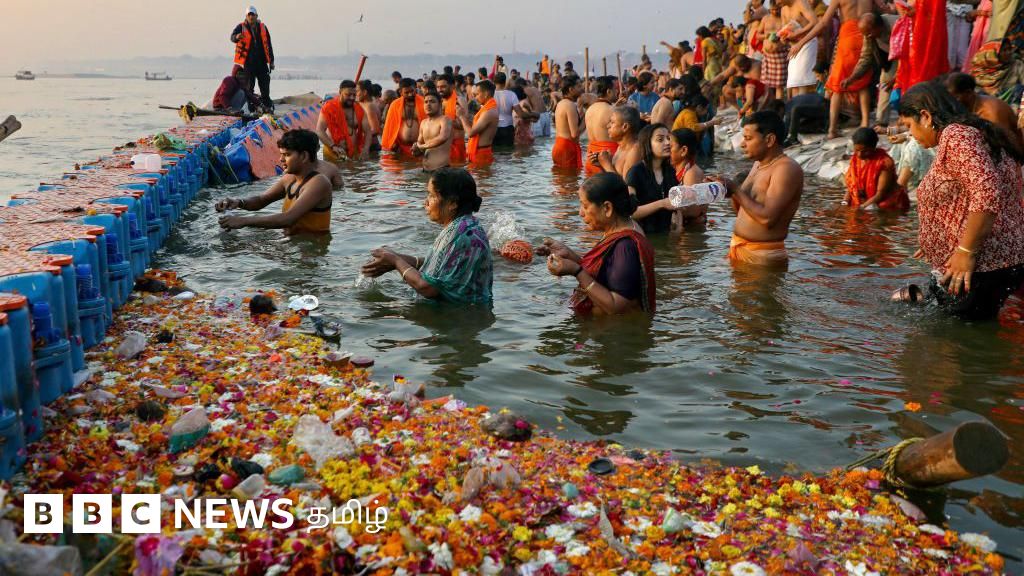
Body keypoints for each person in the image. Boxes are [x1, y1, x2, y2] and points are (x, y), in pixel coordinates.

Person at [893, 83, 1024, 319]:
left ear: (925, 116)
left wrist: (965, 251)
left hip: (980, 265)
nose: (911, 134)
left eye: (909, 126)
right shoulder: (977, 133)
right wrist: (936, 234)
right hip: (995, 261)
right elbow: (969, 192)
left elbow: (987, 191)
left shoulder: (956, 136)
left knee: (951, 337)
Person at [361, 168, 493, 304]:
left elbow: (428, 288)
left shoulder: (458, 234)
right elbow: (443, 266)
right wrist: (397, 259)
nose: (426, 202)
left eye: (432, 195)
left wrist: (396, 261)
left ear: (452, 203)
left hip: (457, 312)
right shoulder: (468, 225)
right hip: (470, 310)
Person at [537, 172, 657, 315]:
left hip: (609, 327)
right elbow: (604, 273)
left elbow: (615, 306)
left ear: (607, 208)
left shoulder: (625, 246)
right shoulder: (622, 229)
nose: (581, 213)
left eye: (585, 206)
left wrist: (576, 271)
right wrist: (569, 254)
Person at [716, 111, 803, 265]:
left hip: (763, 257)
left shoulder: (786, 169)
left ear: (769, 140)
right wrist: (727, 190)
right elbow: (742, 211)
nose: (742, 144)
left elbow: (767, 219)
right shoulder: (758, 164)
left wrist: (736, 190)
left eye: (748, 138)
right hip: (740, 248)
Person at [216, 129, 332, 234]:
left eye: (287, 155)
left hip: (311, 248)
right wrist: (239, 202)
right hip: (291, 243)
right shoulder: (289, 178)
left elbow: (288, 219)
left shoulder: (319, 183)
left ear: (304, 156)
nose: (281, 159)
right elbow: (261, 200)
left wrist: (244, 221)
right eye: (281, 154)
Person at [791, 0, 870, 138]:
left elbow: (823, 23)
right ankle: (865, 122)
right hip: (865, 34)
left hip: (847, 38)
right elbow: (885, 9)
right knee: (863, 81)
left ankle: (832, 129)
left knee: (837, 85)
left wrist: (801, 42)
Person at [945, 72, 1024, 150]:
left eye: (955, 97)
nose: (950, 102)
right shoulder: (967, 106)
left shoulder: (991, 112)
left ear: (968, 93)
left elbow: (1006, 147)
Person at [626, 124, 680, 234]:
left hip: (666, 235)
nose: (667, 143)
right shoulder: (636, 172)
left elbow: (677, 206)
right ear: (647, 144)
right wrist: (661, 204)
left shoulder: (670, 171)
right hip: (642, 235)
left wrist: (678, 229)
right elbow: (630, 212)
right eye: (660, 139)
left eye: (668, 138)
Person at [843, 127, 910, 211]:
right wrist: (844, 203)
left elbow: (880, 194)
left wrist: (860, 208)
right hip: (865, 202)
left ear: (873, 147)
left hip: (887, 203)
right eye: (857, 150)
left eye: (864, 151)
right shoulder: (855, 160)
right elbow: (851, 187)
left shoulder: (884, 163)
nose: (860, 154)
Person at [316, 80, 372, 163]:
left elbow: (368, 132)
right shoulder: (329, 107)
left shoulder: (359, 109)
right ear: (340, 92)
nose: (352, 98)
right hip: (332, 152)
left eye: (354, 95)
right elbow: (319, 130)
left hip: (353, 153)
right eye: (348, 95)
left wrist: (366, 149)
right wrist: (333, 146)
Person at [231, 6, 275, 111]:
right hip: (248, 64)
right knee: (249, 88)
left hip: (262, 63)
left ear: (256, 16)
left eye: (253, 15)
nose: (251, 17)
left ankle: (267, 107)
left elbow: (269, 44)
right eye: (249, 15)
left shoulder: (263, 27)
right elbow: (232, 37)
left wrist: (271, 61)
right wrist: (237, 37)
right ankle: (250, 109)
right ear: (246, 16)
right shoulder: (240, 27)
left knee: (265, 86)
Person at [779, 0, 820, 97]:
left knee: (802, 82)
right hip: (794, 46)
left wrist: (798, 33)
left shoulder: (801, 2)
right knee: (794, 83)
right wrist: (784, 38)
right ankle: (796, 104)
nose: (777, 2)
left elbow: (815, 21)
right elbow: (784, 30)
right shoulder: (783, 9)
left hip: (808, 42)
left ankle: (801, 104)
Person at [670, 128, 709, 228]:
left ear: (683, 150)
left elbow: (693, 210)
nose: (666, 149)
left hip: (691, 231)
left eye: (670, 147)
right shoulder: (675, 170)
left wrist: (663, 206)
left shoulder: (691, 172)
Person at [585, 76, 621, 176]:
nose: (617, 92)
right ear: (608, 91)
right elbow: (623, 135)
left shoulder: (590, 109)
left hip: (591, 157)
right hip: (607, 157)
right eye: (615, 89)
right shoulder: (612, 110)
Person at [381, 78, 427, 157]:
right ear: (400, 92)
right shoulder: (395, 105)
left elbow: (430, 124)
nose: (410, 94)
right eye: (406, 92)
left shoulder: (424, 102)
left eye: (412, 91)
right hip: (399, 148)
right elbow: (389, 126)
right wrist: (392, 143)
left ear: (415, 89)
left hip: (420, 147)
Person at [458, 79, 498, 165]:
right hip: (481, 151)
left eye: (477, 94)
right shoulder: (487, 109)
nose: (475, 98)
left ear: (486, 94)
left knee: (479, 173)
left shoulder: (488, 112)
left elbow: (470, 133)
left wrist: (461, 116)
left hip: (481, 153)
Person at [598, 105, 644, 176]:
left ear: (625, 127)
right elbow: (614, 175)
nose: (608, 126)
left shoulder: (635, 150)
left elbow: (627, 183)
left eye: (612, 122)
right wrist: (602, 165)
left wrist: (607, 164)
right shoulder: (621, 147)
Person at [413, 91, 454, 171]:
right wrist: (415, 150)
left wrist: (422, 146)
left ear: (440, 104)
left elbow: (442, 138)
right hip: (425, 170)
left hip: (441, 170)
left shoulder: (445, 120)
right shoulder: (423, 123)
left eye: (432, 101)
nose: (428, 104)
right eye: (426, 102)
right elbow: (419, 148)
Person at [550, 76, 583, 169]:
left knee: (561, 177)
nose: (581, 89)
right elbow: (574, 134)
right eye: (579, 86)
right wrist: (585, 121)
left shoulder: (560, 103)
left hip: (558, 145)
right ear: (571, 89)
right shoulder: (570, 105)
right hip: (567, 149)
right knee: (571, 177)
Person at [759, 1, 790, 101]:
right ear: (770, 8)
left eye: (777, 9)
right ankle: (770, 104)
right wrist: (766, 36)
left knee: (779, 86)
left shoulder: (784, 19)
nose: (775, 11)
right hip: (768, 56)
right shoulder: (765, 19)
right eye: (773, 9)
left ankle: (778, 105)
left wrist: (780, 37)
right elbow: (758, 35)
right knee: (767, 85)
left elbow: (789, 35)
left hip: (781, 55)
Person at [437, 74, 467, 163]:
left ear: (452, 86)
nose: (440, 90)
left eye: (443, 87)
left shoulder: (460, 101)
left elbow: (462, 126)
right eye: (438, 87)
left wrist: (444, 119)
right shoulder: (439, 102)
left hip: (456, 144)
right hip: (441, 145)